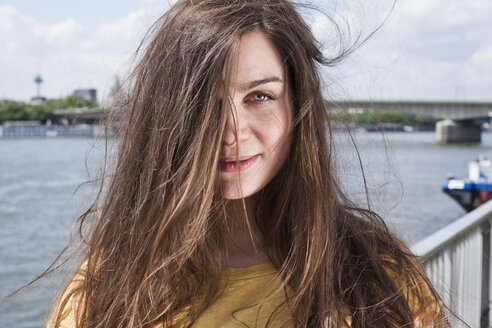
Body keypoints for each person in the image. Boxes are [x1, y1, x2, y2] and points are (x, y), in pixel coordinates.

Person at [47, 0, 449, 327]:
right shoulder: (103, 292)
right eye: (203, 104)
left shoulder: (378, 273)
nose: (230, 133)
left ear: (298, 107)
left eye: (260, 96)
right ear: (163, 117)